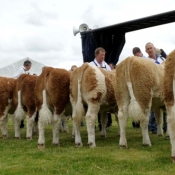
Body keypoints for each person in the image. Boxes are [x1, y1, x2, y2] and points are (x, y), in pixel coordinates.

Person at [145, 42, 166, 134]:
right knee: (154, 109)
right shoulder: (146, 62)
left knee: (167, 108)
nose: (150, 50)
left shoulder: (162, 58)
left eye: (151, 48)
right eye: (148, 49)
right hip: (154, 87)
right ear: (146, 51)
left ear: (154, 48)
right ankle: (155, 128)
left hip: (165, 85)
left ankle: (166, 128)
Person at [90, 47, 112, 130]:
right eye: (101, 55)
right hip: (94, 90)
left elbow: (110, 76)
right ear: (96, 55)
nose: (103, 57)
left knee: (105, 108)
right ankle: (93, 125)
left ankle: (104, 125)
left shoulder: (106, 65)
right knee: (94, 108)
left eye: (104, 55)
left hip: (105, 90)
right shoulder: (91, 65)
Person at [12, 60, 32, 128]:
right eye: (30, 66)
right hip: (18, 89)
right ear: (28, 65)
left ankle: (21, 122)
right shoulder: (21, 70)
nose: (30, 67)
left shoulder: (24, 70)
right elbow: (14, 77)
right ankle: (19, 122)